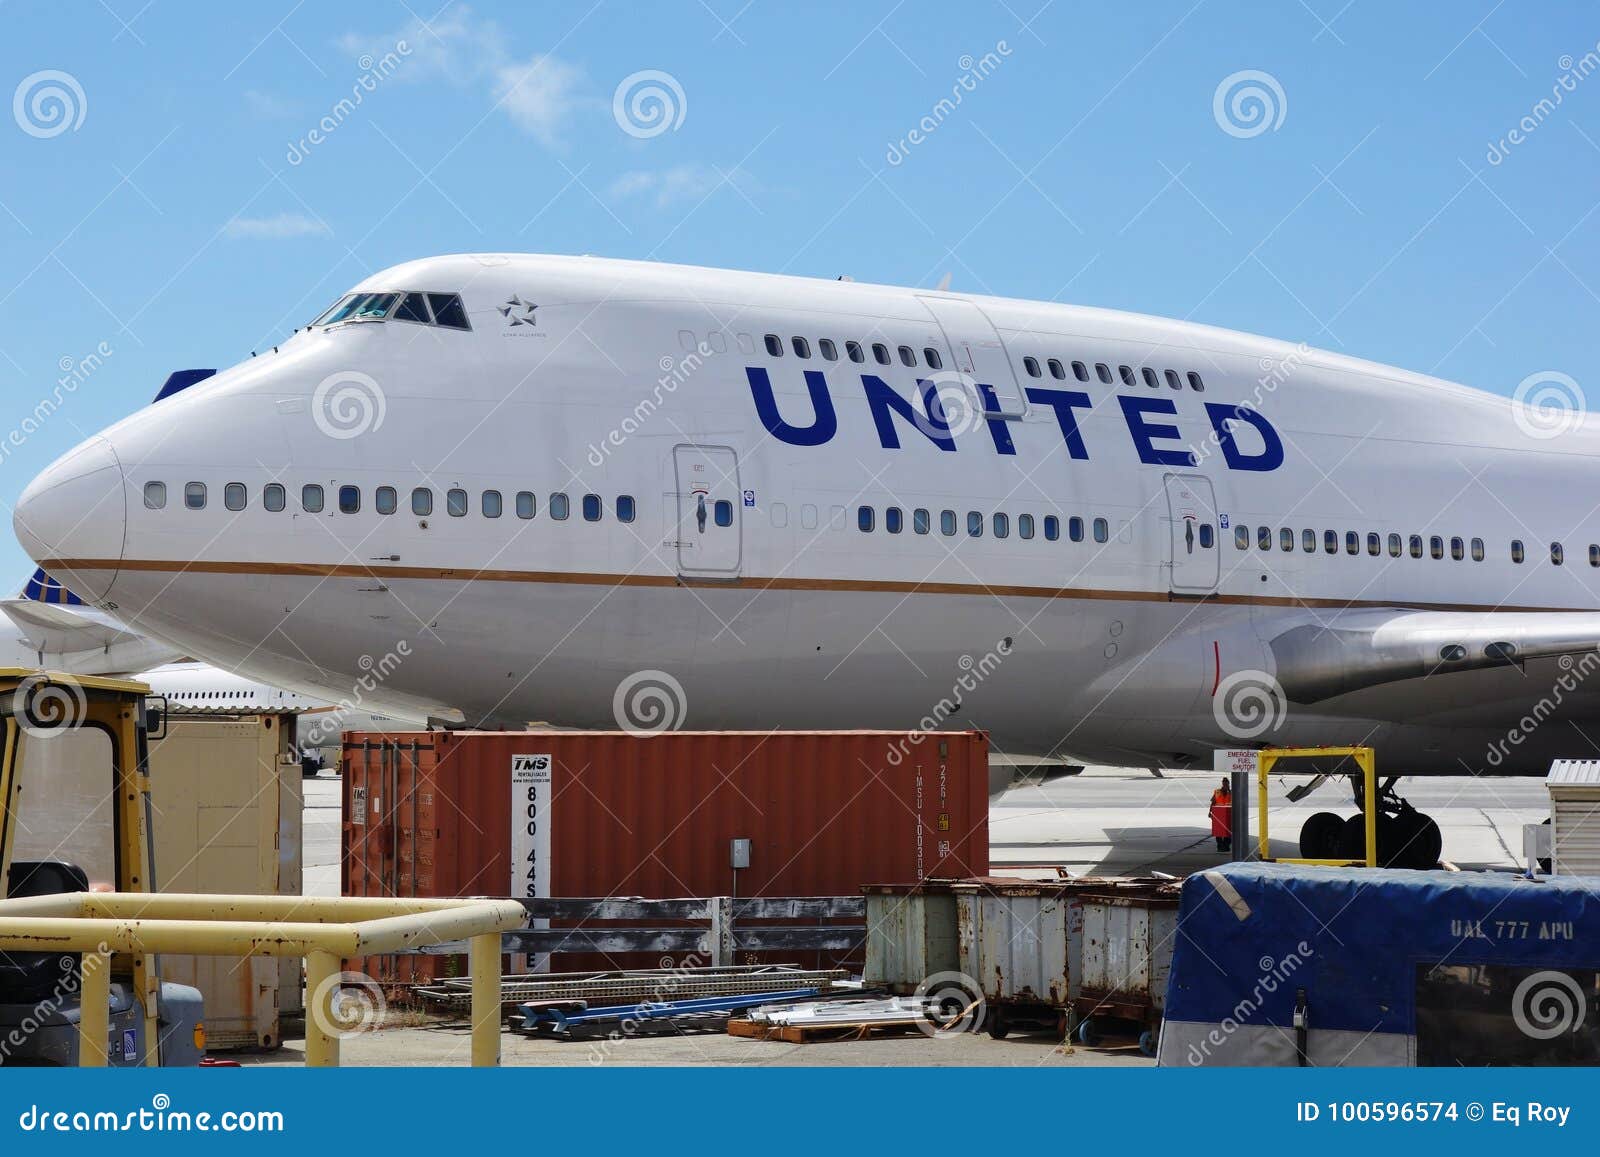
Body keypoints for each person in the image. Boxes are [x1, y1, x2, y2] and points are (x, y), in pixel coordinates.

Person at [1210, 778, 1233, 853]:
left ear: (1228, 784)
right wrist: (1210, 812)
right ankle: (1220, 846)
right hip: (1218, 813)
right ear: (1222, 784)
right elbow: (1213, 802)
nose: (1225, 785)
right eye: (1224, 783)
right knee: (1219, 831)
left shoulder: (1232, 792)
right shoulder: (1217, 792)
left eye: (1226, 783)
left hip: (1228, 814)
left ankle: (1226, 846)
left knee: (1228, 831)